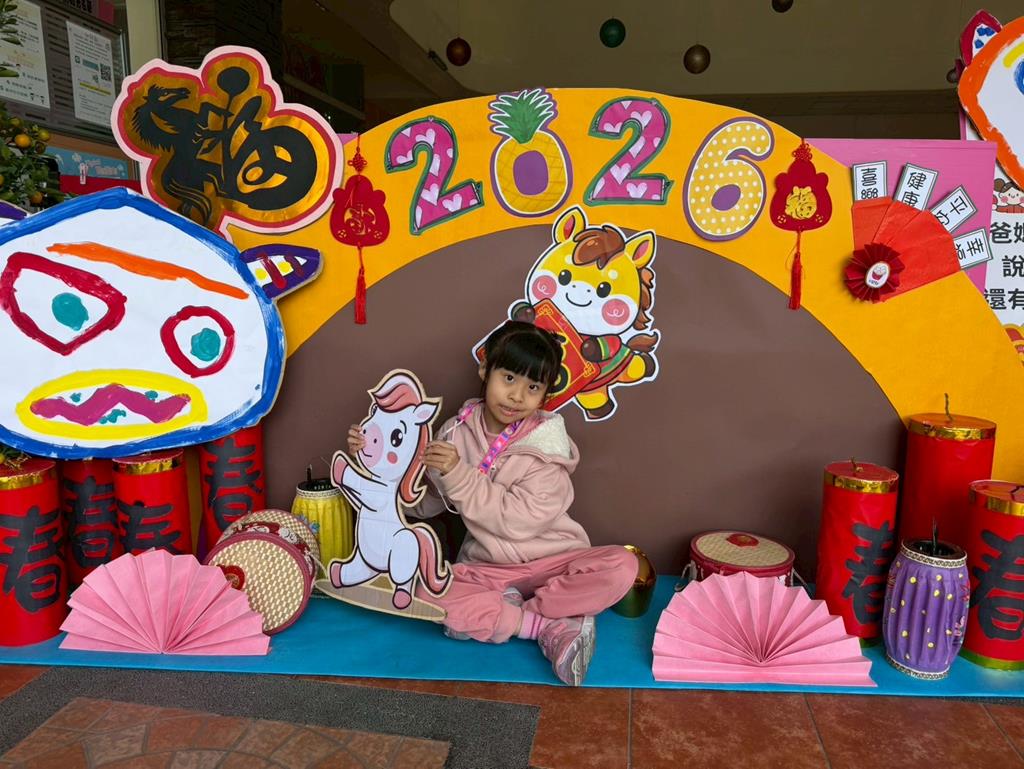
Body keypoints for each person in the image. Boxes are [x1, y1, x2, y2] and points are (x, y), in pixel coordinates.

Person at [346, 321, 638, 685]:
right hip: (488, 568)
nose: (517, 396)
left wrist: (459, 474)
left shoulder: (548, 446)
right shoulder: (453, 432)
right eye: (509, 378)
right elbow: (429, 503)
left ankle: (512, 614)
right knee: (423, 591)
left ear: (545, 394)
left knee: (622, 566)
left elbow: (518, 521)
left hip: (555, 560)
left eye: (533, 387)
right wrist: (372, 460)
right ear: (485, 370)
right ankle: (546, 626)